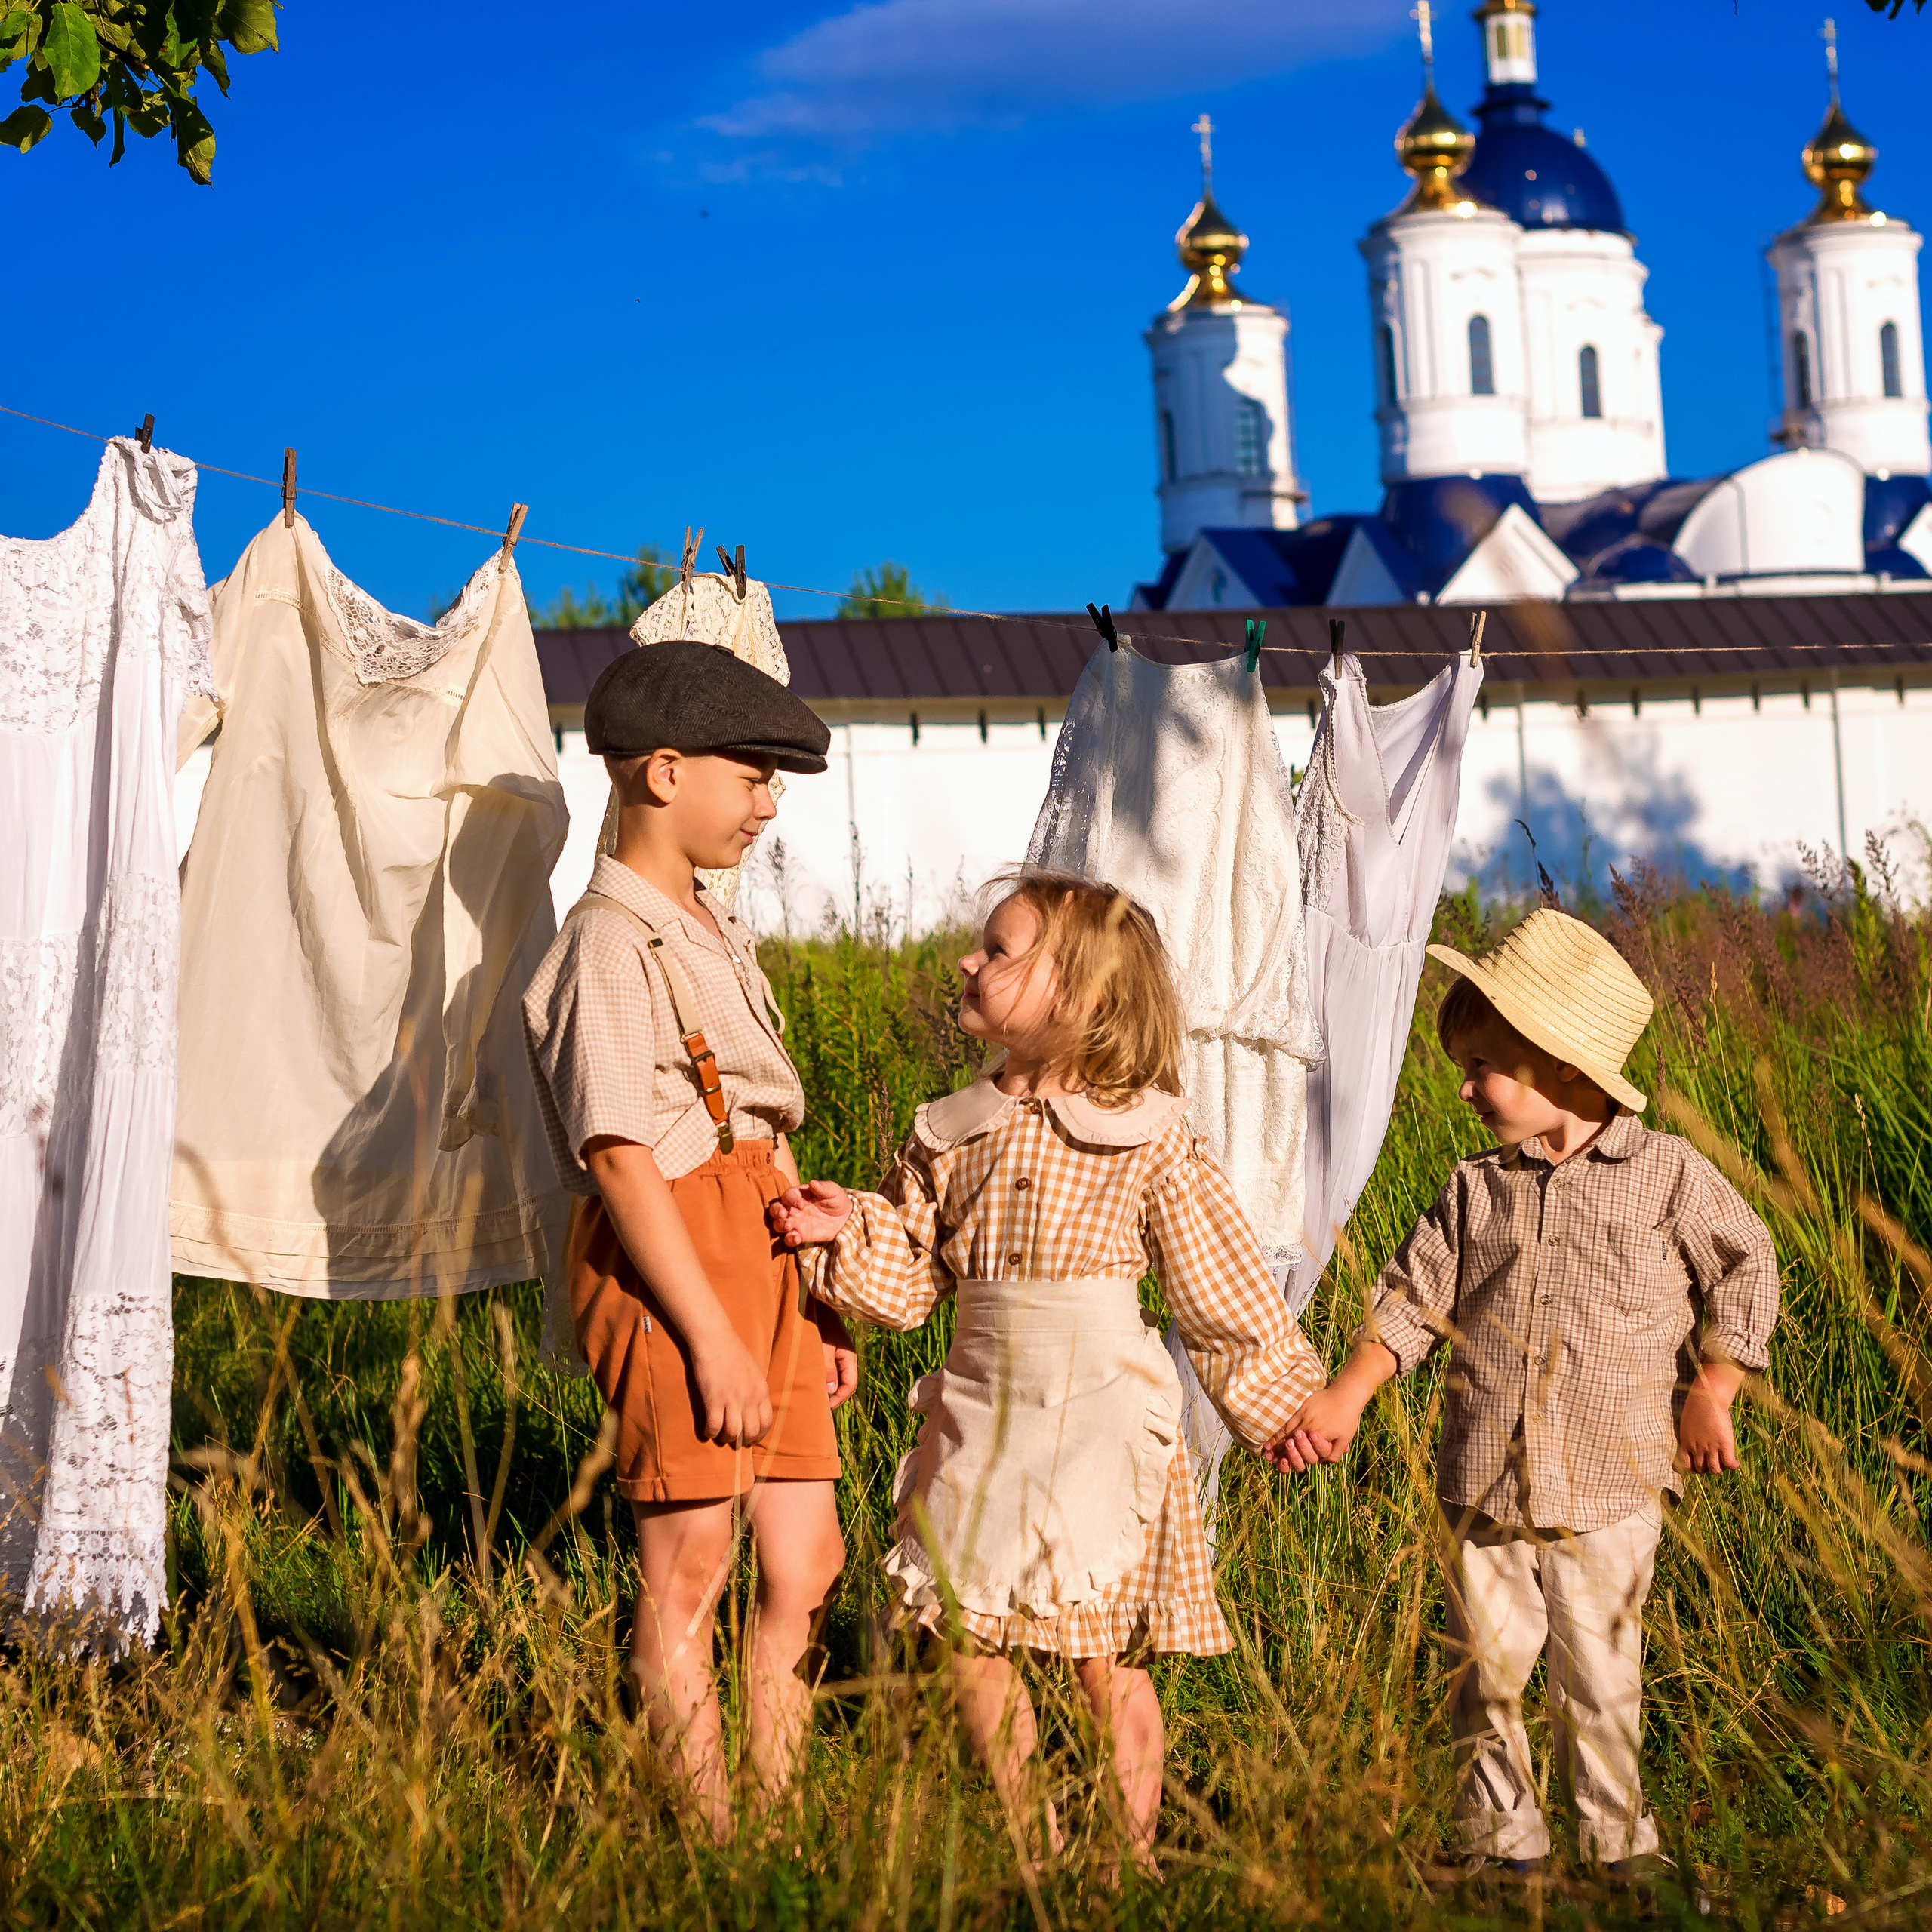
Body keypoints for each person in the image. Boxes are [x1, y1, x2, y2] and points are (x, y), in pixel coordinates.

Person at [768, 869, 1326, 1873]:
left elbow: (1219, 1280)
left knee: (1101, 1655)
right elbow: (907, 1277)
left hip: (1099, 1424)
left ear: (1074, 993)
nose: (967, 963)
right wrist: (841, 1224)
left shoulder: (1147, 1134)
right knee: (966, 1640)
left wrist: (1282, 1404)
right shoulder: (948, 1130)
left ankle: (1127, 1857)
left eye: (996, 950)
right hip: (983, 1411)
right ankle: (1035, 1843)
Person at [1272, 909, 1779, 1878]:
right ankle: (1502, 1846)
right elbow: (1412, 1297)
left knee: (1598, 1673)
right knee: (1488, 1671)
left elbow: (1746, 1265)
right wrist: (1346, 1393)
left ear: (1563, 1065)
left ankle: (1615, 1842)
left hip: (1612, 1478)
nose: (1463, 1088)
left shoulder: (1667, 1176)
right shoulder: (1476, 1187)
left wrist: (1714, 1384)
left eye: (1483, 1067)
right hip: (1485, 1478)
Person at [521, 638, 856, 1840]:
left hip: (762, 1240)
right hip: (672, 1259)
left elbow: (757, 1122)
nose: (769, 803)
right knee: (691, 1563)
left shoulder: (709, 928)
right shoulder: (609, 943)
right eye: (753, 774)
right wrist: (709, 1337)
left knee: (805, 1562)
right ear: (663, 772)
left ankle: (777, 1812)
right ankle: (712, 1842)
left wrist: (814, 1299)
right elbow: (619, 1157)